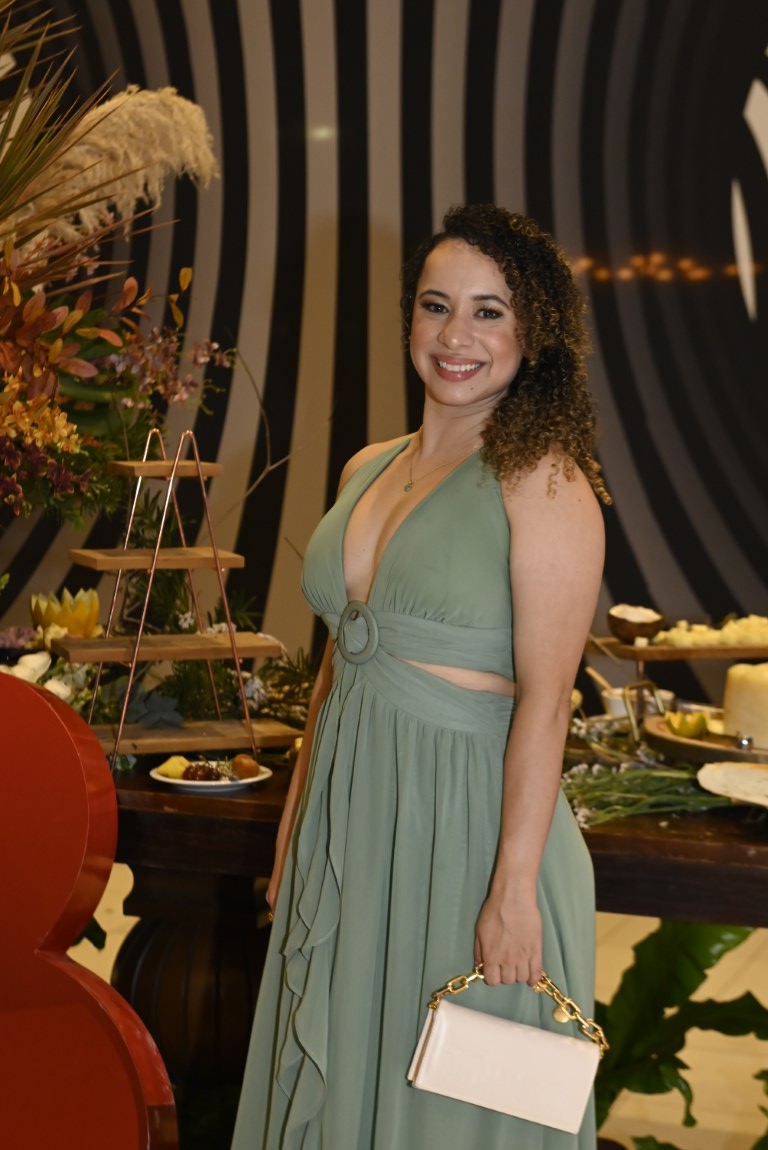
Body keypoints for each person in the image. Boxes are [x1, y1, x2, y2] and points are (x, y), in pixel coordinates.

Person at [231, 204, 610, 1149]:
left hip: (468, 833)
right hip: (354, 820)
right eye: (437, 306)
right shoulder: (368, 467)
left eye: (489, 312)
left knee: (447, 1112)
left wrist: (512, 890)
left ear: (533, 332)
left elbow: (548, 703)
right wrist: (295, 824)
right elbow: (340, 660)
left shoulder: (546, 482)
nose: (455, 336)